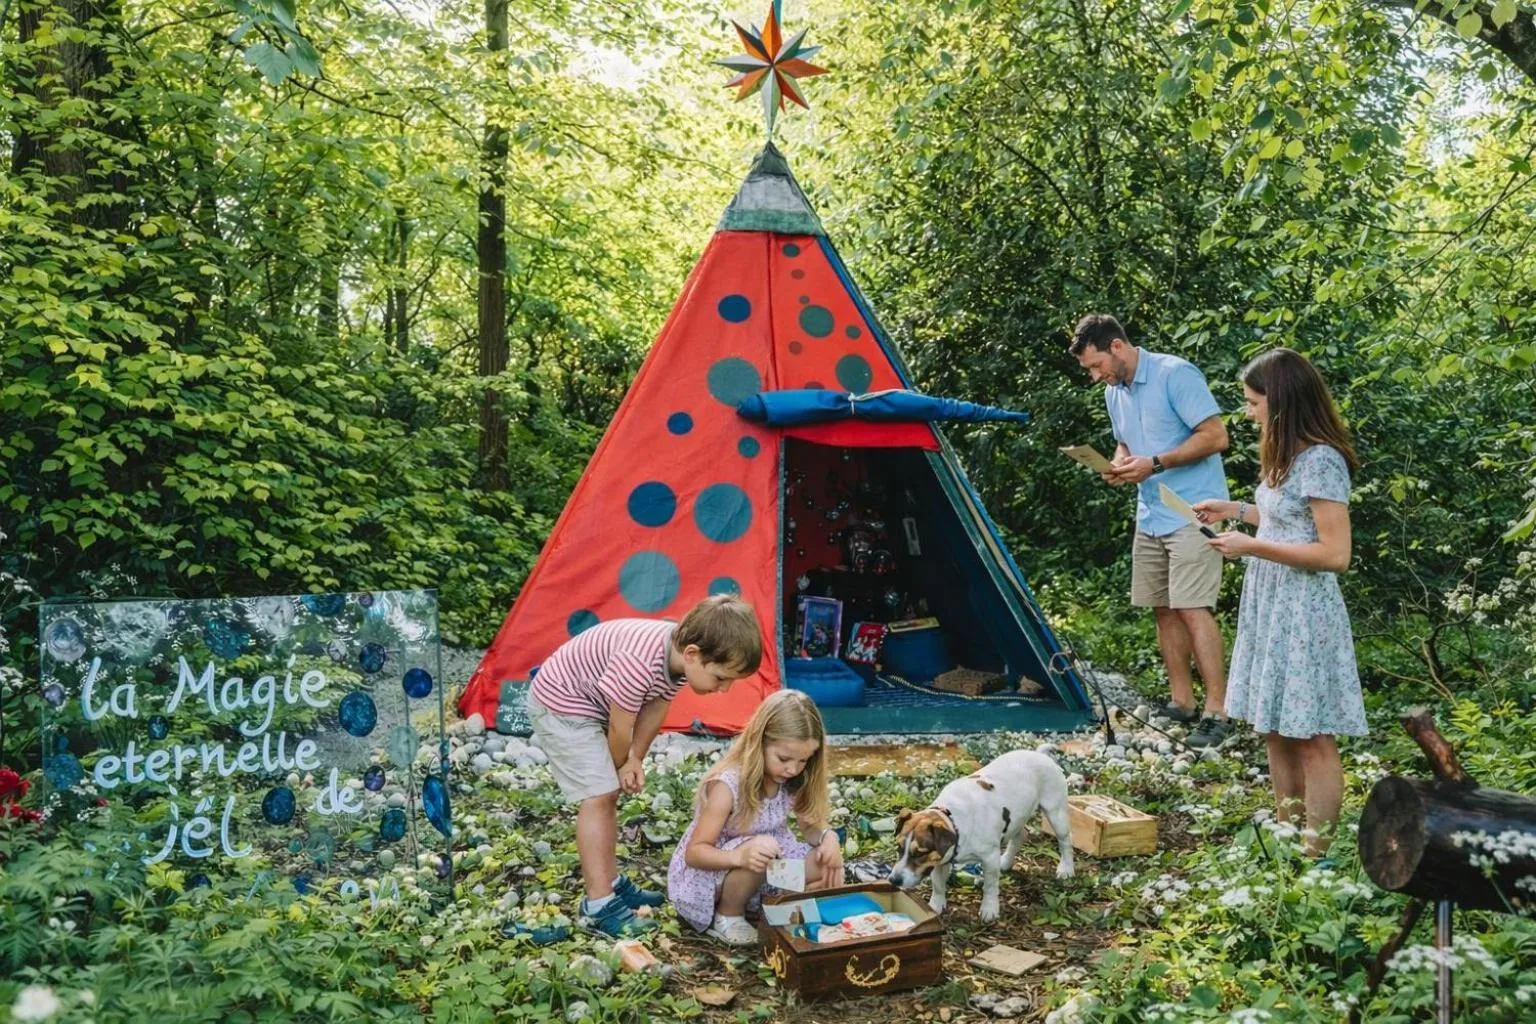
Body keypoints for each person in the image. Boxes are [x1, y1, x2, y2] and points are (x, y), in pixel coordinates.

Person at [1193, 348, 1365, 858]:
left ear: (1283, 401)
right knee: (1274, 727)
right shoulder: (1284, 453)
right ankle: (1288, 845)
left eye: (1253, 402)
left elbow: (1335, 553)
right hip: (1270, 602)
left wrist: (1251, 545)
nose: (1247, 412)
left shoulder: (1322, 460)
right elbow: (1287, 521)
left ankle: (1318, 855)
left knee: (1311, 733)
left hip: (1304, 607)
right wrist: (1238, 511)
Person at [528, 594, 762, 937]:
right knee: (599, 795)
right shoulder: (638, 662)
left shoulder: (676, 655)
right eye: (720, 678)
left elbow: (656, 706)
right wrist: (621, 765)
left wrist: (636, 757)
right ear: (694, 655)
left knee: (607, 793)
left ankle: (610, 882)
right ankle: (597, 904)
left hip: (593, 707)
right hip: (562, 707)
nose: (724, 689)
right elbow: (620, 726)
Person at [1070, 314, 1233, 747]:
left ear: (1117, 347)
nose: (1094, 375)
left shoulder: (1175, 374)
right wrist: (1119, 463)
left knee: (1193, 607)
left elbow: (1216, 436)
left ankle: (1219, 712)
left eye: (1096, 365)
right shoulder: (1113, 392)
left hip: (1194, 509)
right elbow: (1126, 443)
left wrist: (1155, 462)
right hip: (1152, 513)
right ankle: (1183, 703)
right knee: (1162, 607)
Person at [668, 688, 843, 945]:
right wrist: (737, 857)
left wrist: (828, 839)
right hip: (711, 877)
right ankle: (728, 915)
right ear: (759, 742)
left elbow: (810, 829)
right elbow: (695, 853)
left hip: (765, 864)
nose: (793, 768)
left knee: (823, 861)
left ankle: (773, 904)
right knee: (764, 848)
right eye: (784, 758)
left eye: (803, 760)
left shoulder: (793, 778)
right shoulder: (727, 786)